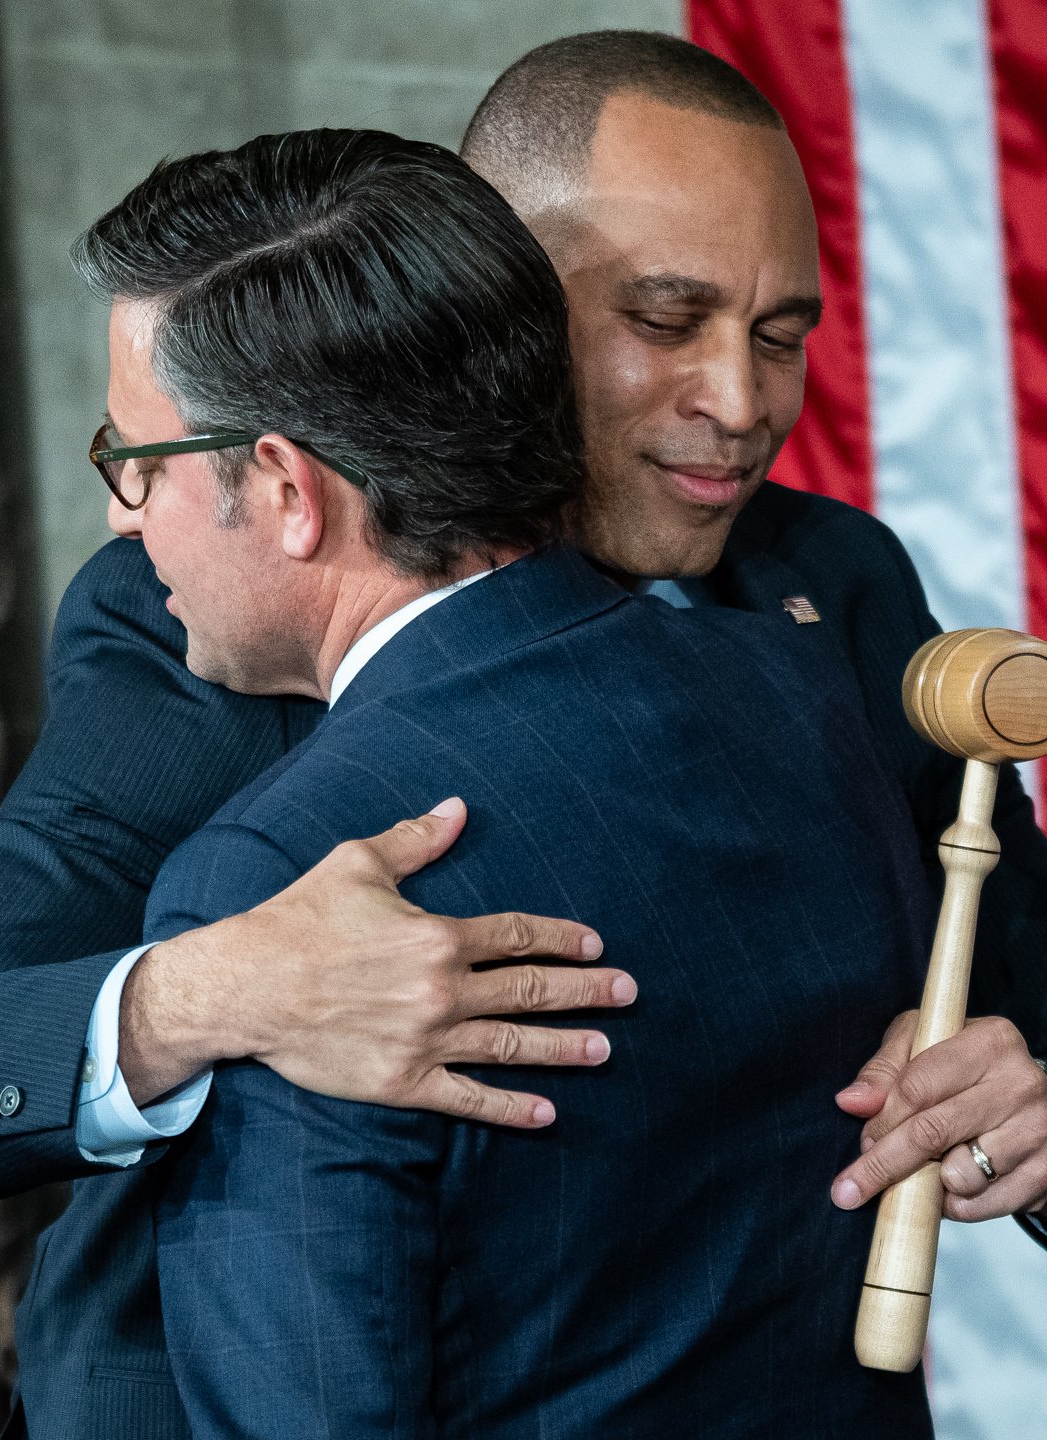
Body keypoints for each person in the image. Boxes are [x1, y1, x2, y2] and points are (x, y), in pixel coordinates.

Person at [0, 30, 1047, 1438]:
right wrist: (206, 991)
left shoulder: (827, 594)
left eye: (779, 336)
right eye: (664, 320)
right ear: (490, 308)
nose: (741, 404)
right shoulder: (199, 608)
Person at [99, 126, 935, 1435]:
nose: (120, 517)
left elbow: (310, 1413)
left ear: (283, 489)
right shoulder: (807, 698)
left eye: (138, 465)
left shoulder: (298, 871)